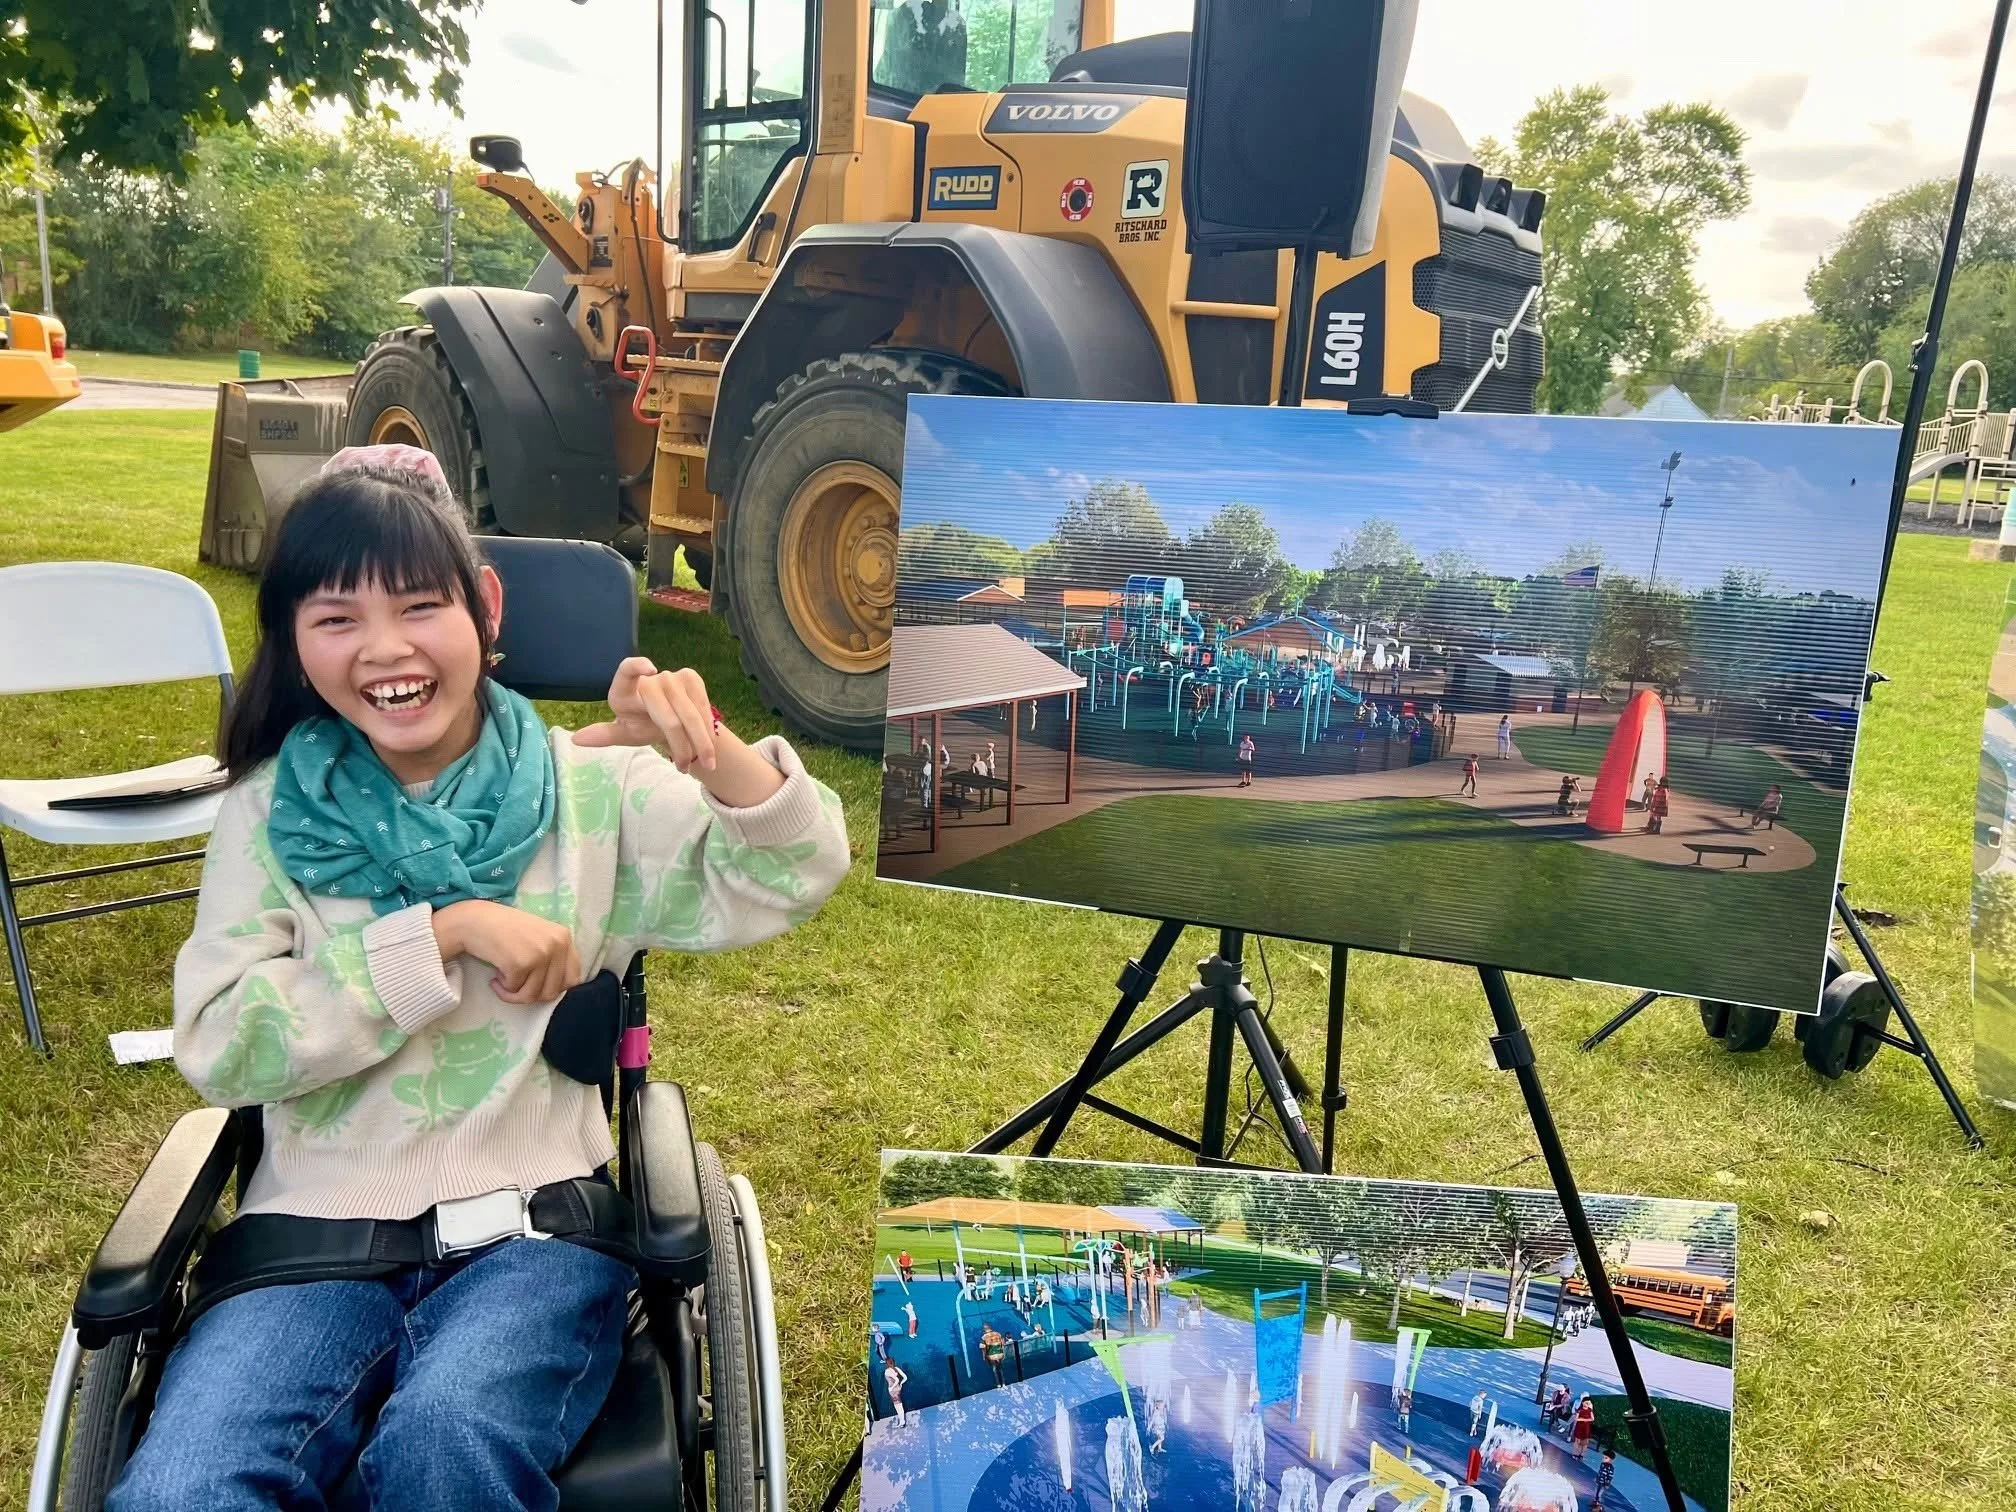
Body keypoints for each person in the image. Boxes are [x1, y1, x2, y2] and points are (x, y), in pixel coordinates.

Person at [106, 448, 850, 1511]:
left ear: (483, 606)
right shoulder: (267, 816)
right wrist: (439, 936)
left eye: (419, 605)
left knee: (444, 1447)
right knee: (179, 1494)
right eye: (337, 618)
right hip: (310, 1239)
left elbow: (798, 867)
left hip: (532, 1237)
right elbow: (223, 1045)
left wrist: (709, 752)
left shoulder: (589, 795)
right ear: (294, 642)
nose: (386, 648)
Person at [884, 1360, 911, 1429]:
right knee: (900, 1405)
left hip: (893, 1391)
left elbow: (896, 1380)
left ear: (886, 1364)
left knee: (897, 1407)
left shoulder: (887, 1371)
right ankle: (902, 1421)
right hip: (898, 1389)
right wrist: (901, 1383)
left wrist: (891, 1388)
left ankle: (902, 1422)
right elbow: (905, 1377)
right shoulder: (896, 1368)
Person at [981, 1323, 1009, 1387]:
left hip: (992, 1356)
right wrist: (1004, 1353)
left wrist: (984, 1357)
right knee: (1000, 1369)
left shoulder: (984, 1337)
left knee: (994, 1369)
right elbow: (1003, 1344)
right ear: (990, 1328)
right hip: (1000, 1354)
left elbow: (983, 1348)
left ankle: (998, 1383)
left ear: (984, 1329)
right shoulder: (998, 1334)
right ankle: (1003, 1383)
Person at [1571, 1395, 1596, 1461]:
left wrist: (1586, 1420)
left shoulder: (1590, 1410)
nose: (1587, 1404)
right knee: (1577, 1441)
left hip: (1586, 1427)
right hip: (1579, 1427)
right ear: (1583, 1403)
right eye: (1586, 1403)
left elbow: (1592, 1418)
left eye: (1589, 1403)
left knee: (1585, 1442)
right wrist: (1584, 1419)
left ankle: (1581, 1454)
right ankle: (1575, 1453)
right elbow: (1577, 1419)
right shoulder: (1580, 1410)